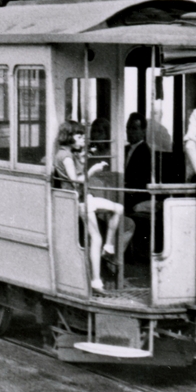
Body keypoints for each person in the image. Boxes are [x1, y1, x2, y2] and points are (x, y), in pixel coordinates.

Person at [53, 120, 124, 293]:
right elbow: (76, 181)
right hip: (80, 201)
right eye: (79, 136)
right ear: (69, 137)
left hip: (85, 198)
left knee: (118, 209)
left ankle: (108, 246)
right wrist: (93, 170)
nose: (83, 139)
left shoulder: (65, 154)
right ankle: (96, 280)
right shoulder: (66, 157)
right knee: (96, 239)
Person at [122, 112, 153, 212]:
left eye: (134, 129)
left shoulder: (145, 152)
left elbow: (138, 182)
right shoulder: (124, 149)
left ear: (143, 132)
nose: (129, 132)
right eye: (128, 128)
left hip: (135, 198)